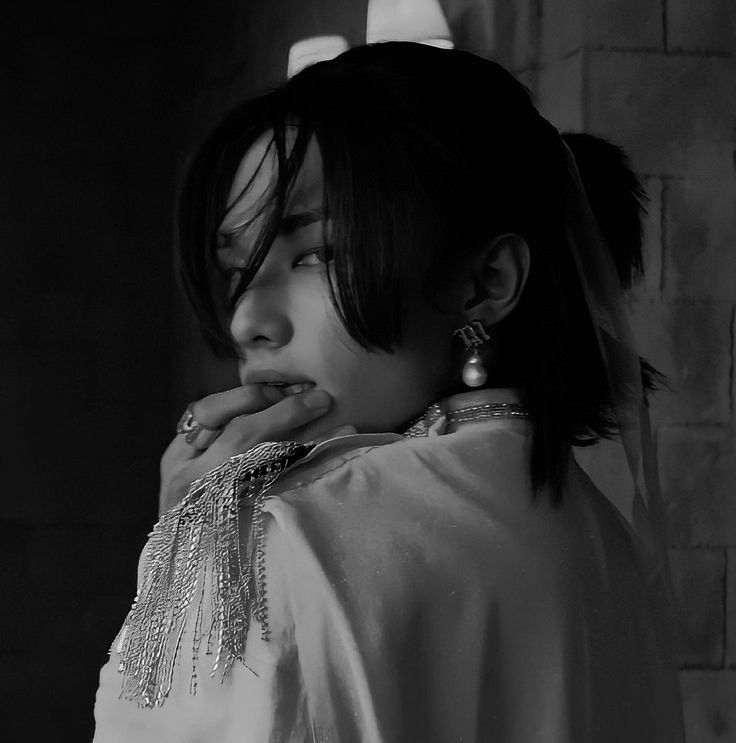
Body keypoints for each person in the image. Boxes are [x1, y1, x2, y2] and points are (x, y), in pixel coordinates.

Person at [93, 41, 684, 742]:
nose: (249, 319)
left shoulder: (284, 537)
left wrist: (185, 552)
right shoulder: (606, 546)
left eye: (315, 254)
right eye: (237, 269)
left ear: (484, 283)